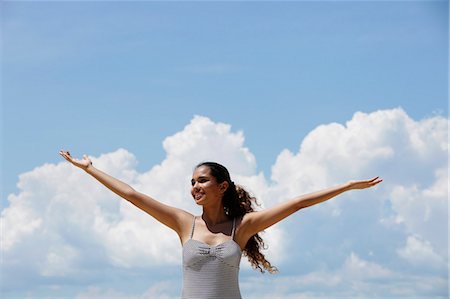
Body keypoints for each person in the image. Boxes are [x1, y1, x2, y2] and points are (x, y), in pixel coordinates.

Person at [59, 150, 382, 299]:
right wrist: (89, 169)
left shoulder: (241, 227)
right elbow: (132, 195)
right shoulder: (184, 224)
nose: (195, 186)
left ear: (222, 186)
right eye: (191, 182)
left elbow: (298, 203)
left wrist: (347, 185)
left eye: (202, 180)